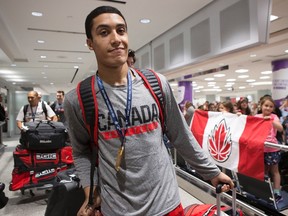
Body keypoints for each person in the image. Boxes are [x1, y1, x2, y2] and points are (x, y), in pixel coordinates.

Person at [64, 6, 233, 216]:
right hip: (117, 208)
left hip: (168, 203)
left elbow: (180, 134)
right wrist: (91, 193)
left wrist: (211, 171)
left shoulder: (155, 83)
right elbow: (81, 152)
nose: (116, 39)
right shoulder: (78, 99)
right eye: (104, 32)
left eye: (121, 30)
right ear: (90, 43)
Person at [255, 96, 283, 203]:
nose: (268, 108)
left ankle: (277, 192)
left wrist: (270, 120)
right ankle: (264, 190)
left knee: (274, 171)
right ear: (261, 106)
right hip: (260, 149)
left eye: (271, 106)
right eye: (266, 105)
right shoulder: (257, 116)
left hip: (272, 149)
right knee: (264, 171)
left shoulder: (274, 116)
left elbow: (280, 128)